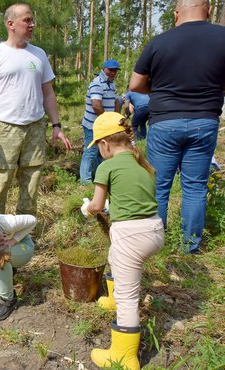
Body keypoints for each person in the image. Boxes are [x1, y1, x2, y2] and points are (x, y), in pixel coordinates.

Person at [129, 0, 225, 254]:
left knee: (159, 186)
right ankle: (189, 247)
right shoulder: (222, 37)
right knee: (194, 187)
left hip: (165, 122)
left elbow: (135, 85)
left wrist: (161, 91)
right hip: (205, 121)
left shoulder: (159, 42)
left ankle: (155, 246)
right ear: (208, 10)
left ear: (176, 13)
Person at [81, 112, 164, 370]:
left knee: (129, 298)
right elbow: (134, 199)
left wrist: (88, 209)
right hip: (154, 230)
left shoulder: (107, 166)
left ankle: (125, 357)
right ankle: (114, 298)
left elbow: (96, 205)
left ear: (105, 144)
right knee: (115, 256)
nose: (99, 152)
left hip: (131, 235)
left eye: (99, 148)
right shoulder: (143, 164)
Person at [0, 3, 72, 216]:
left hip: (35, 127)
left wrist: (56, 125)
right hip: (3, 128)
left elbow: (48, 93)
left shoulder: (38, 54)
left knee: (32, 181)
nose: (32, 24)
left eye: (32, 20)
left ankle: (23, 235)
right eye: (27, 20)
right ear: (10, 24)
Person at [79, 59, 121, 183]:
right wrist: (107, 121)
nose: (113, 73)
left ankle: (98, 177)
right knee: (90, 151)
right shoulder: (97, 84)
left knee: (101, 152)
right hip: (93, 125)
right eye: (110, 70)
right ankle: (85, 181)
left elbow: (114, 102)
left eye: (115, 70)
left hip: (104, 125)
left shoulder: (111, 84)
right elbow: (96, 105)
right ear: (104, 69)